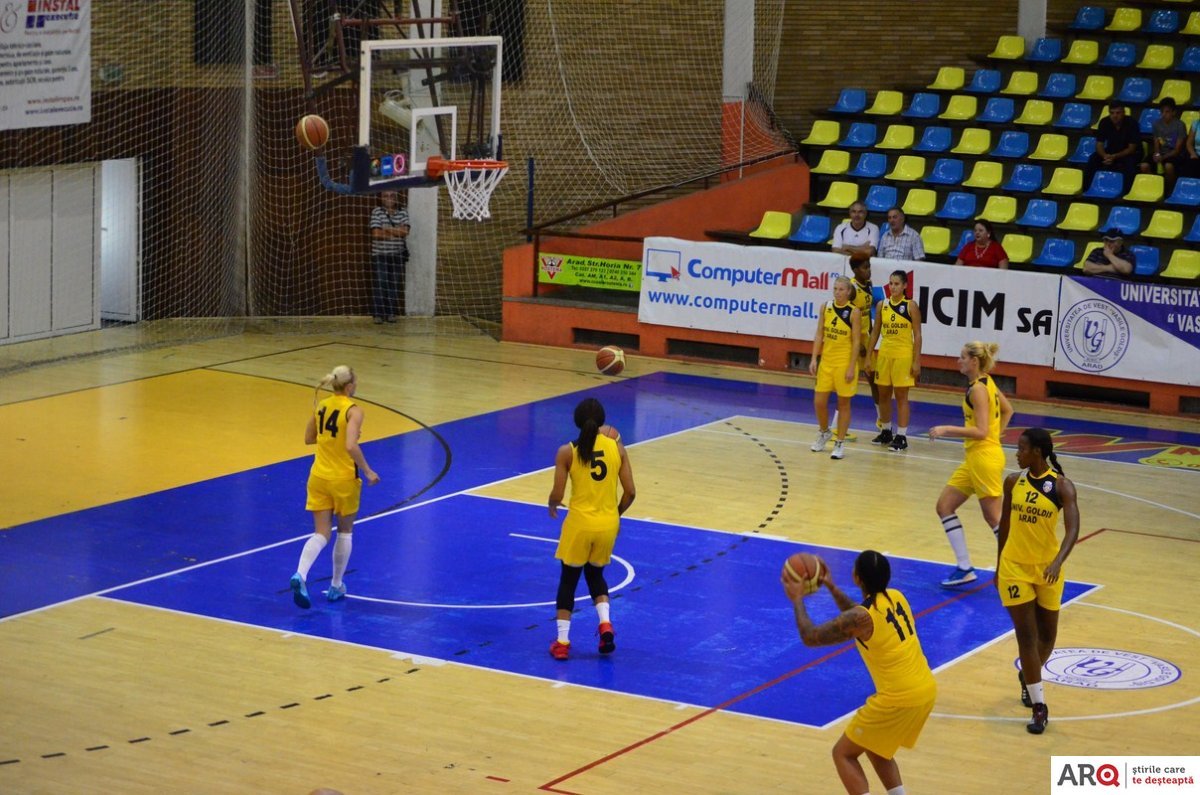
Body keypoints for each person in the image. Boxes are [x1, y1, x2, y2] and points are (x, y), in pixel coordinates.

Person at [783, 550, 937, 795]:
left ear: (857, 577)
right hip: (925, 688)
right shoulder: (896, 597)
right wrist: (832, 588)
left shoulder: (861, 618)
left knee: (843, 754)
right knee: (876, 746)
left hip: (898, 697)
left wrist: (797, 599)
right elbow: (857, 613)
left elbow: (810, 637)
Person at [997, 428, 1081, 735]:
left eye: (1021, 449)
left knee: (1047, 637)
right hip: (1014, 568)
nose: (1016, 453)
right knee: (1027, 637)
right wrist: (998, 565)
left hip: (1047, 570)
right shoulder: (1012, 482)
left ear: (1036, 452)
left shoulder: (1061, 486)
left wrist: (1058, 561)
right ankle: (1039, 706)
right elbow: (1005, 525)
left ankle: (1028, 676)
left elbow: (1073, 529)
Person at [547, 397, 636, 660]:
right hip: (607, 525)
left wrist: (552, 503)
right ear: (601, 420)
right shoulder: (617, 447)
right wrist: (614, 515)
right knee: (596, 576)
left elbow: (558, 493)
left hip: (580, 525)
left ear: (577, 420)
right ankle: (605, 624)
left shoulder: (567, 452)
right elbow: (630, 493)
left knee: (568, 581)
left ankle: (562, 643)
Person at [290, 366, 381, 608]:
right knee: (345, 531)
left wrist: (333, 438)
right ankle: (336, 585)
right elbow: (350, 445)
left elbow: (309, 438)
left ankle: (300, 574)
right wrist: (368, 470)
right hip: (343, 479)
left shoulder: (322, 405)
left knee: (321, 533)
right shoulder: (353, 410)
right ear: (349, 386)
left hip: (318, 476)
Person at [928, 341, 1014, 588]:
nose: (959, 361)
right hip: (976, 458)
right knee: (945, 506)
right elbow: (1008, 410)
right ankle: (965, 567)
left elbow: (981, 431)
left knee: (994, 518)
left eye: (963, 357)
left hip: (984, 459)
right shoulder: (988, 382)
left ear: (974, 361)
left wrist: (947, 429)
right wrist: (995, 437)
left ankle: (1018, 567)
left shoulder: (978, 389)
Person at [866, 270, 923, 451]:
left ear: (905, 286)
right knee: (883, 394)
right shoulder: (882, 305)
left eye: (897, 284)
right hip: (884, 355)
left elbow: (918, 335)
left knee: (901, 397)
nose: (893, 287)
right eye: (891, 283)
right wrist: (868, 356)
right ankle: (886, 431)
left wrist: (916, 361)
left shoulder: (911, 306)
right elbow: (875, 332)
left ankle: (902, 436)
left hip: (903, 356)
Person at [809, 276, 862, 460]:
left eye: (841, 289)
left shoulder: (854, 312)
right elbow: (819, 334)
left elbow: (857, 342)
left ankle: (839, 442)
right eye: (835, 289)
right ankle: (824, 432)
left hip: (844, 363)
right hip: (827, 362)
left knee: (843, 403)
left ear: (848, 291)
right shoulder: (826, 307)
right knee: (819, 401)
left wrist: (851, 366)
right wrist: (814, 358)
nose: (837, 292)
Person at [369, 190, 409, 323]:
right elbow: (376, 234)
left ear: (396, 198)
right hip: (380, 255)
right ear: (381, 198)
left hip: (397, 255)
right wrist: (396, 231)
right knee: (381, 283)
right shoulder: (377, 212)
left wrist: (386, 229)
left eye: (392, 195)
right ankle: (378, 314)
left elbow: (405, 232)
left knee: (394, 285)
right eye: (386, 196)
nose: (389, 198)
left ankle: (391, 313)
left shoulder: (403, 212)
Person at [1082, 104, 1141, 193]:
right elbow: (1099, 144)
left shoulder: (1132, 123)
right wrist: (1105, 156)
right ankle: (1085, 189)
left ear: (1123, 113)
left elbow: (1131, 148)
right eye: (1112, 113)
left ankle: (1127, 193)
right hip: (1111, 151)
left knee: (1130, 165)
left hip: (1130, 153)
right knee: (1093, 159)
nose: (1115, 116)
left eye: (1118, 113)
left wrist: (1114, 156)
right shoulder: (1104, 122)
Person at [1140, 97, 1188, 196]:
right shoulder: (1156, 124)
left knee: (1168, 166)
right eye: (1162, 112)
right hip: (1161, 153)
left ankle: (1169, 190)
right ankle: (1155, 188)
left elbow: (1177, 149)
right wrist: (1157, 154)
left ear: (1174, 112)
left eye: (1167, 112)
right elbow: (1156, 141)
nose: (1164, 114)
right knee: (1144, 166)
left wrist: (1163, 157)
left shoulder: (1180, 125)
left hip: (1174, 155)